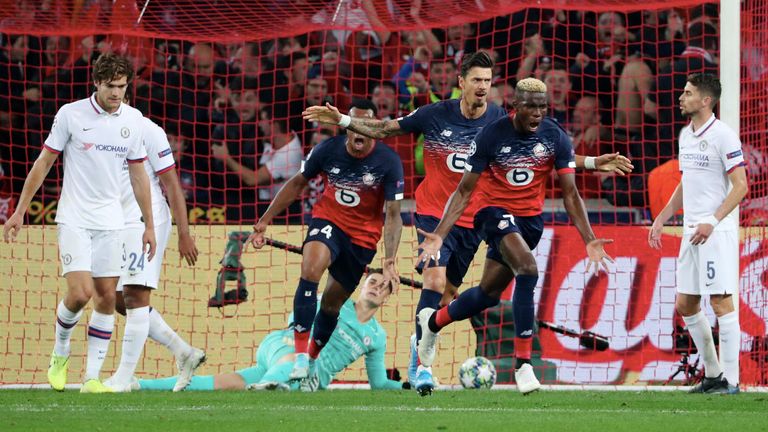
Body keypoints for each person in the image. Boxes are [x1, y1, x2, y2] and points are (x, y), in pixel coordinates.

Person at [302, 52, 632, 396]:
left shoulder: (498, 122)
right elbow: (385, 128)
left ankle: (426, 340)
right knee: (433, 279)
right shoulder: (435, 115)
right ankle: (421, 371)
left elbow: (539, 152)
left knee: (451, 296)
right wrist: (342, 121)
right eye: (476, 80)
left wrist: (590, 161)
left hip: (473, 219)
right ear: (462, 82)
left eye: (488, 81)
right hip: (435, 213)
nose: (483, 87)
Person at [416, 78, 614, 395]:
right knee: (528, 269)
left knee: (487, 294)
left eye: (542, 107)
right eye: (530, 107)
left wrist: (588, 238)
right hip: (491, 214)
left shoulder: (554, 136)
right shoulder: (491, 135)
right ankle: (524, 365)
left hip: (529, 223)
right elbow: (464, 191)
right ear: (516, 106)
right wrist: (440, 233)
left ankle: (433, 323)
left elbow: (571, 194)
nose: (537, 113)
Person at [2, 53, 156, 393]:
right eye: (111, 87)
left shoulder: (133, 120)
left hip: (112, 222)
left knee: (104, 297)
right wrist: (19, 210)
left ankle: (90, 378)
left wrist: (148, 224)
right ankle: (60, 353)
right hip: (74, 218)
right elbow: (44, 162)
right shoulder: (70, 114)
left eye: (122, 86)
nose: (117, 93)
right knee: (80, 293)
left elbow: (138, 175)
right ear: (96, 83)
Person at [248, 99, 404, 385]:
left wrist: (390, 257)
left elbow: (393, 214)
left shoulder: (388, 161)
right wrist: (264, 220)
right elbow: (297, 183)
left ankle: (312, 358)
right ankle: (298, 356)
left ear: (373, 127)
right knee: (311, 269)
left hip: (363, 239)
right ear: (346, 127)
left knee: (332, 305)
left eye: (366, 124)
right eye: (354, 124)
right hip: (328, 221)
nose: (359, 132)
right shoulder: (327, 150)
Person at [136, 271, 408, 392]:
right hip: (286, 348)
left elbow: (379, 384)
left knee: (224, 384)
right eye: (373, 281)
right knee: (291, 361)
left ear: (387, 298)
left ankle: (139, 385)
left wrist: (409, 386)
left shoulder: (378, 336)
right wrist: (297, 336)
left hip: (302, 378)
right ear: (362, 285)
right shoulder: (334, 302)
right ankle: (267, 387)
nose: (377, 287)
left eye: (384, 287)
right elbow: (298, 315)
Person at [649, 73, 747, 394]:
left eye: (688, 93)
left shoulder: (723, 136)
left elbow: (741, 187)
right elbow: (685, 182)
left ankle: (731, 381)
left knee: (721, 302)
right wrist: (663, 217)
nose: (681, 97)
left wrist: (713, 221)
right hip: (691, 231)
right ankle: (714, 376)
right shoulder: (685, 135)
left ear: (706, 100)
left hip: (715, 233)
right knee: (686, 304)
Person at [105, 116, 205, 392]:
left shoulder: (147, 129)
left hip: (146, 220)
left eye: (120, 86)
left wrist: (184, 233)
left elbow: (172, 185)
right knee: (117, 299)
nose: (114, 93)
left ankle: (123, 378)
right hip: (114, 221)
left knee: (136, 295)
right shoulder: (94, 128)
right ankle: (183, 351)